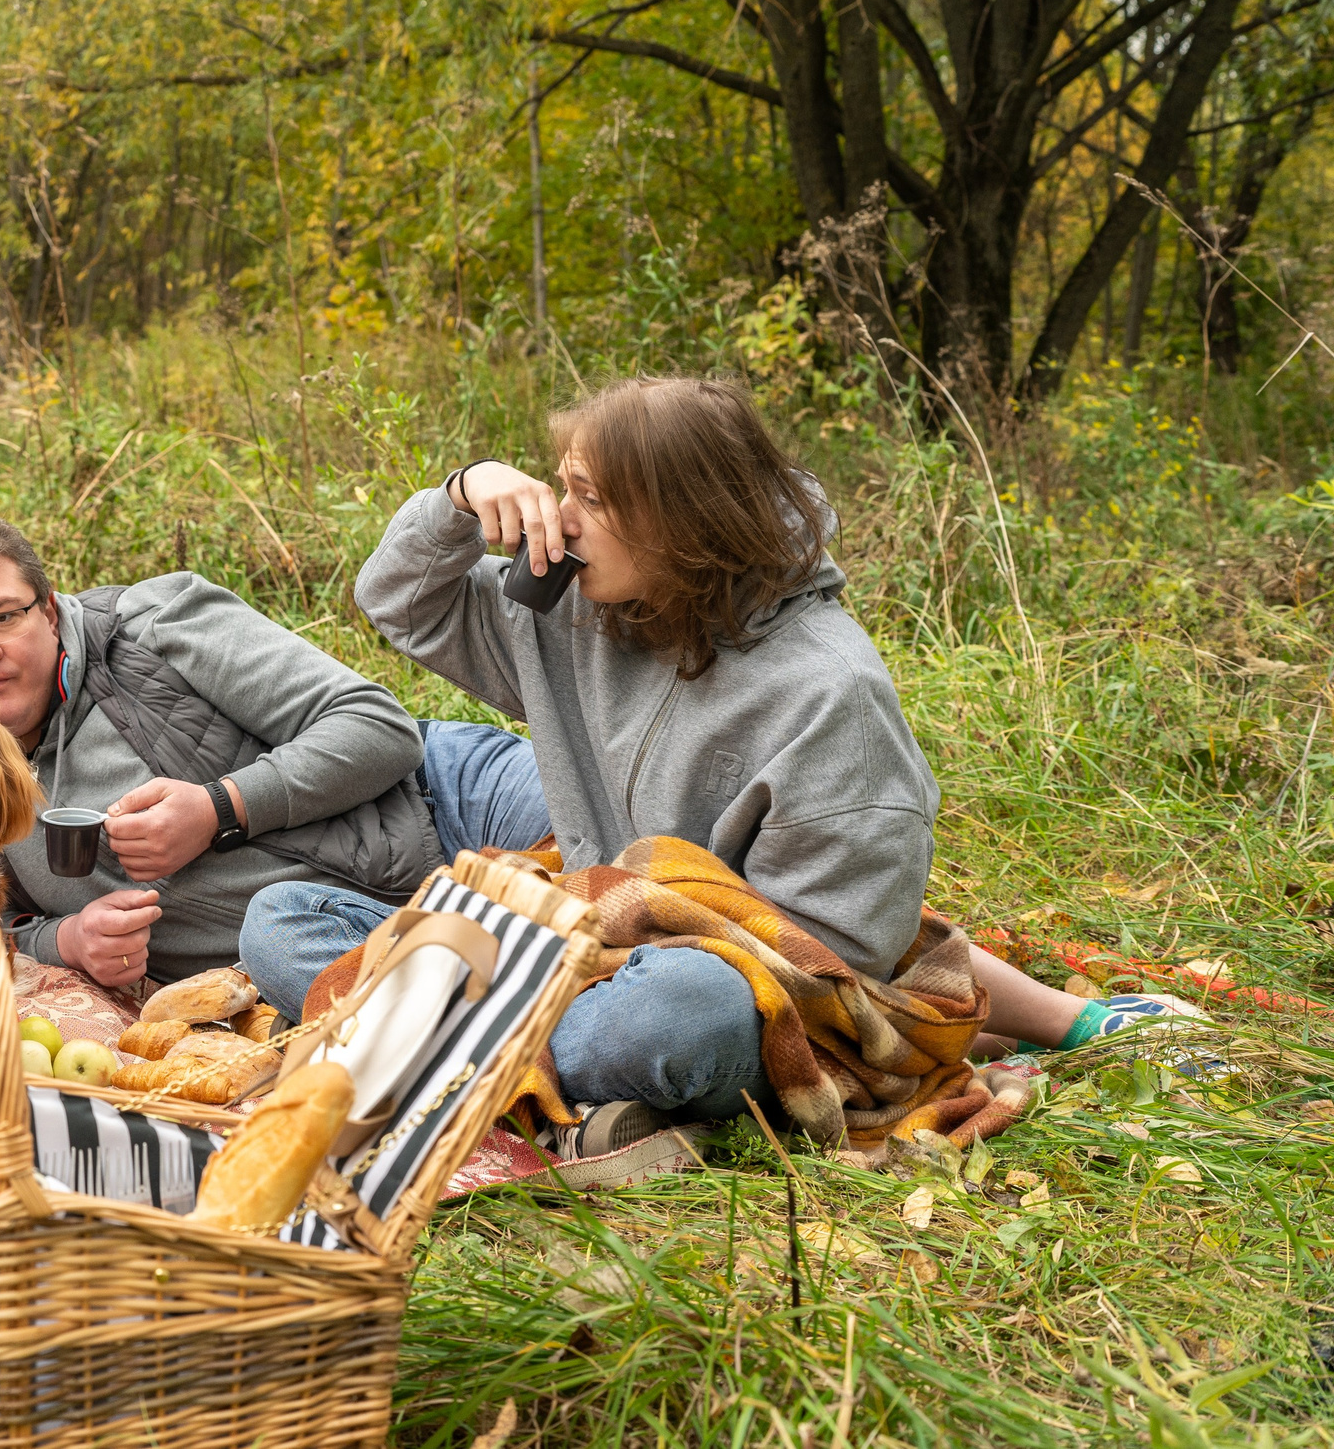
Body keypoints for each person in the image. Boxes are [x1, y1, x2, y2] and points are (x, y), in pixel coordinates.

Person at [249, 376, 1191, 1155]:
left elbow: (840, 955)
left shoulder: (828, 692)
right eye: (561, 484)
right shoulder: (581, 605)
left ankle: (441, 1062)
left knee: (677, 1017)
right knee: (280, 919)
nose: (560, 516)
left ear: (682, 521)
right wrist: (459, 496)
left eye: (589, 497)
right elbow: (402, 603)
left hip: (726, 993)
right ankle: (555, 1097)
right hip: (586, 954)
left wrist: (626, 944)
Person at [0, 513, 515, 991]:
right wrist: (67, 941)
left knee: (589, 848)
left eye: (4, 616)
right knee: (277, 938)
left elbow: (379, 726)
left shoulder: (152, 624)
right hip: (312, 938)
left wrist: (220, 808)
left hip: (450, 803)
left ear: (50, 613)